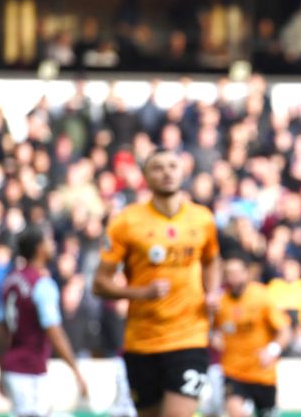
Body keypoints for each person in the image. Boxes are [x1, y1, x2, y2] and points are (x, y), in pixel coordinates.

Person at [92, 148, 221, 417]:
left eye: (172, 166)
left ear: (183, 171)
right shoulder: (125, 222)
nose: (166, 173)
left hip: (189, 337)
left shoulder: (203, 219)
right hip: (142, 341)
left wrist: (212, 293)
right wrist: (140, 293)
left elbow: (211, 260)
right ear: (145, 177)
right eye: (157, 167)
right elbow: (99, 284)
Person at [0, 227, 88, 416]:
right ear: (39, 248)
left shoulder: (10, 280)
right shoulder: (41, 284)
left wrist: (1, 368)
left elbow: (2, 330)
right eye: (48, 241)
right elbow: (54, 331)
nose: (53, 245)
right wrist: (76, 371)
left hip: (13, 367)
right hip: (30, 369)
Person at [212, 254, 291, 417]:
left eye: (235, 273)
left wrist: (272, 350)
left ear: (246, 273)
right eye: (228, 273)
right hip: (233, 371)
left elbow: (284, 330)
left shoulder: (262, 296)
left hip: (262, 372)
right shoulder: (221, 302)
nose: (232, 279)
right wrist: (214, 337)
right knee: (234, 409)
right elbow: (212, 329)